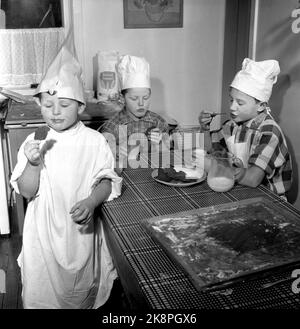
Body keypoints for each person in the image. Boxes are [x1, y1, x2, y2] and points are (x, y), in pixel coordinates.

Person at [10, 32, 122, 309]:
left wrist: (91, 201)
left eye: (64, 104)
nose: (55, 112)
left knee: (80, 294)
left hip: (80, 235)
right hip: (43, 236)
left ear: (81, 106)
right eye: (48, 105)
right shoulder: (35, 139)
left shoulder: (95, 141)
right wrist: (34, 164)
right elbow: (26, 191)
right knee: (43, 295)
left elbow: (107, 181)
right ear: (39, 104)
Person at [198, 58, 292, 198]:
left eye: (240, 103)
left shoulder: (270, 132)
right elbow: (210, 148)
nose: (232, 107)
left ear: (260, 105)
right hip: (242, 190)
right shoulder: (232, 125)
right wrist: (205, 128)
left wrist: (213, 167)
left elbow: (253, 179)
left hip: (269, 199)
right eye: (231, 100)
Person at [100, 55, 170, 170]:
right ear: (122, 98)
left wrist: (160, 143)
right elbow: (103, 160)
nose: (141, 103)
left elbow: (167, 159)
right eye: (134, 98)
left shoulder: (158, 122)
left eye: (146, 97)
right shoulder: (112, 127)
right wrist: (115, 151)